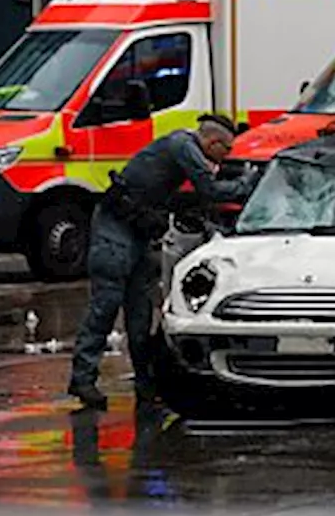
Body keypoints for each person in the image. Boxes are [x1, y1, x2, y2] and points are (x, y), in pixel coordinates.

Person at [67, 113, 258, 411]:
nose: (225, 158)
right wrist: (249, 184)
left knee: (141, 313)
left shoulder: (179, 147)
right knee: (106, 306)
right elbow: (209, 190)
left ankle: (146, 385)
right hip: (116, 230)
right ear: (212, 141)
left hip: (134, 231)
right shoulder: (184, 147)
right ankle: (83, 378)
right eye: (226, 150)